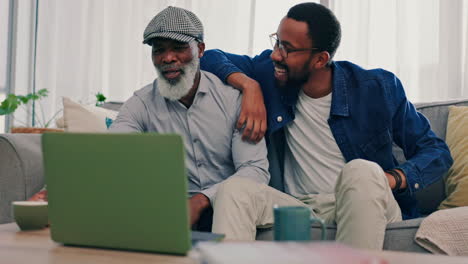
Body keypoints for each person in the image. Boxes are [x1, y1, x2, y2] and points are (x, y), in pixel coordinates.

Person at [200, 2, 453, 248]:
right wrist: (249, 85)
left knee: (361, 171)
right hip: (298, 205)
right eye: (277, 41)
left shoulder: (378, 87)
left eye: (287, 48)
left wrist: (392, 179)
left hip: (360, 200)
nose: (276, 54)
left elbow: (437, 152)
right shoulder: (271, 71)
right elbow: (209, 58)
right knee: (234, 190)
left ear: (321, 59)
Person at [108, 6, 270, 231]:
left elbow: (254, 170)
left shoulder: (232, 100)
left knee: (233, 193)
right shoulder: (141, 103)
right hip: (171, 211)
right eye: (158, 50)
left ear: (200, 49)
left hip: (231, 208)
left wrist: (202, 199)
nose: (167, 58)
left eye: (179, 48)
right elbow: (113, 149)